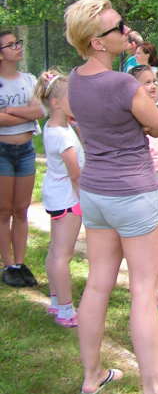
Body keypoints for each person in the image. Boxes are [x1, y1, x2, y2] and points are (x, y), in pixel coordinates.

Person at [64, 0, 158, 394]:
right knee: (143, 290)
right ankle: (154, 389)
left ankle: (92, 376)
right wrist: (151, 111)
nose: (126, 31)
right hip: (134, 193)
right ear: (97, 42)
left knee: (97, 285)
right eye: (117, 27)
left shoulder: (74, 79)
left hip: (96, 193)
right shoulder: (123, 84)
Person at [34, 69, 84, 327]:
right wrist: (85, 200)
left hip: (57, 196)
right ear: (55, 103)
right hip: (68, 199)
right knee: (63, 255)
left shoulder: (54, 127)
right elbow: (75, 174)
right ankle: (65, 308)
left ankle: (56, 301)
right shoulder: (62, 136)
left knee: (55, 250)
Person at [0, 30, 45, 288]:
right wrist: (24, 113)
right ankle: (8, 265)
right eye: (11, 45)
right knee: (4, 210)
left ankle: (20, 262)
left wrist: (9, 110)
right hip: (2, 152)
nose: (18, 47)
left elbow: (39, 110)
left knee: (21, 209)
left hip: (26, 150)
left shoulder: (29, 79)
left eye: (18, 42)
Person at [131, 65, 158, 311]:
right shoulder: (137, 114)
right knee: (150, 236)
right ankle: (151, 291)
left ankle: (155, 282)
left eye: (154, 82)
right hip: (144, 181)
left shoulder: (154, 110)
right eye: (146, 82)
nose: (152, 86)